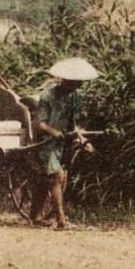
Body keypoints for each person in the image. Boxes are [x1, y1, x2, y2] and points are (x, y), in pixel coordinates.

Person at [29, 57, 100, 230]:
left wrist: (82, 140)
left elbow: (73, 124)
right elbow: (40, 123)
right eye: (76, 82)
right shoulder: (48, 95)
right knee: (57, 177)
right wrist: (53, 132)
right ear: (67, 80)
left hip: (63, 142)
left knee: (54, 179)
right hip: (44, 141)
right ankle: (62, 221)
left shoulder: (75, 97)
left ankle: (36, 216)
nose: (79, 84)